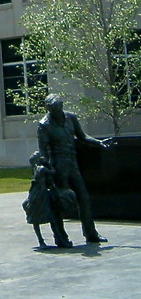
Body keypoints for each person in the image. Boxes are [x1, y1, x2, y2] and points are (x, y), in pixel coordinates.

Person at [37, 94, 110, 243]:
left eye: (57, 109)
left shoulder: (71, 118)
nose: (55, 112)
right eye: (52, 110)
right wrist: (46, 169)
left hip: (72, 163)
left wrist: (99, 143)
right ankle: (60, 237)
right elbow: (43, 151)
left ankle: (91, 233)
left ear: (61, 106)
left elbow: (82, 137)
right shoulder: (44, 124)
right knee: (59, 202)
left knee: (84, 198)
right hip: (57, 166)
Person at [22, 151, 73, 248]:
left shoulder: (35, 169)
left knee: (36, 219)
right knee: (51, 218)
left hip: (35, 195)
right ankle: (57, 240)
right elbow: (53, 172)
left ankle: (41, 241)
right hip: (42, 195)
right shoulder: (42, 169)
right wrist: (48, 163)